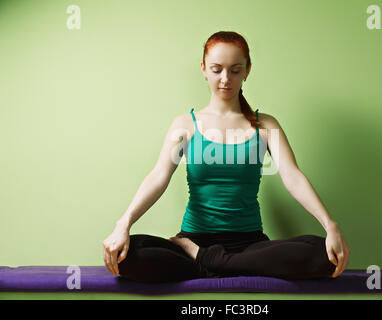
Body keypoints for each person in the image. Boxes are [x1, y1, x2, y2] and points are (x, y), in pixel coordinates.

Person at [102, 31, 350, 283]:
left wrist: (330, 225)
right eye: (217, 69)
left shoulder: (265, 125)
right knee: (129, 254)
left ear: (247, 70)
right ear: (204, 69)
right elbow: (158, 177)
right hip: (193, 237)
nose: (225, 79)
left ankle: (203, 259)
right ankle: (226, 264)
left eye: (234, 70)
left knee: (321, 253)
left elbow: (292, 176)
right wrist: (123, 224)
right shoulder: (186, 124)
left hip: (249, 245)